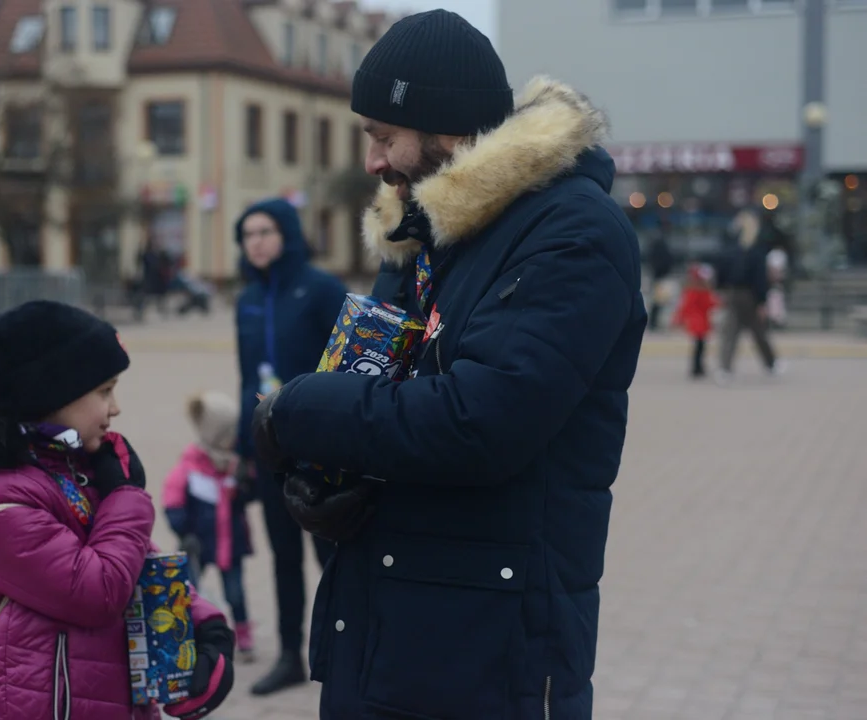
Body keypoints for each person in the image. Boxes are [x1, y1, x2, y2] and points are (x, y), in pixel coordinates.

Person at [250, 10, 647, 718]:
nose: (372, 162)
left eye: (384, 137)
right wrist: (328, 478)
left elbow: (479, 422)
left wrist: (300, 411)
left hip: (493, 652)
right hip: (391, 625)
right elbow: (377, 382)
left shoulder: (574, 233)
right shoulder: (426, 230)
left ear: (450, 130)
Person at [0, 300, 234, 720]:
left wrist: (201, 621)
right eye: (104, 391)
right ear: (50, 393)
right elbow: (96, 591)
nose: (114, 408)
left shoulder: (72, 468)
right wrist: (124, 495)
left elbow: (133, 557)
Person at [234, 197, 348, 695]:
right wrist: (243, 449)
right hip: (269, 452)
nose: (254, 242)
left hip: (321, 449)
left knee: (333, 556)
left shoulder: (321, 290)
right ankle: (288, 655)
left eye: (264, 231)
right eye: (246, 234)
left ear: (286, 233)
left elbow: (346, 367)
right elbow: (245, 380)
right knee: (282, 557)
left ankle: (348, 653)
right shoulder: (246, 301)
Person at [162, 391, 255, 662]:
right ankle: (187, 633)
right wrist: (183, 532)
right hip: (198, 542)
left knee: (235, 592)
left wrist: (246, 483)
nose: (235, 439)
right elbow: (172, 501)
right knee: (189, 589)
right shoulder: (189, 467)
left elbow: (246, 499)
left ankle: (243, 631)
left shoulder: (235, 465)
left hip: (231, 542)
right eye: (229, 433)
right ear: (215, 434)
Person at [716, 208, 783, 382]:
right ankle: (771, 364)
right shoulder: (755, 250)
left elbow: (720, 271)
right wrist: (762, 300)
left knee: (731, 332)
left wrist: (721, 289)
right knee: (758, 331)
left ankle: (725, 368)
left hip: (732, 292)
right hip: (749, 294)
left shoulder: (729, 247)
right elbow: (759, 277)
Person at [672, 263, 720, 378]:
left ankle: (697, 368)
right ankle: (697, 368)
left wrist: (679, 318)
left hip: (697, 321)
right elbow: (709, 304)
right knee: (700, 347)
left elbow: (684, 306)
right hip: (699, 322)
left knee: (699, 347)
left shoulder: (691, 291)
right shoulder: (700, 291)